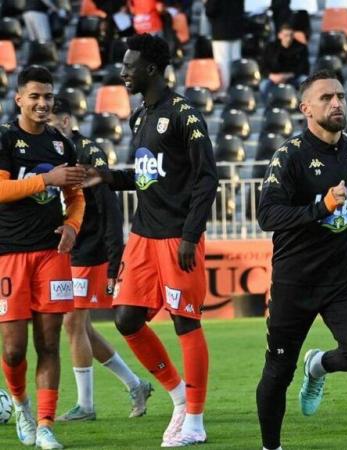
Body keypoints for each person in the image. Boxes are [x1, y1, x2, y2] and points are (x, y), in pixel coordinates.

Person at [84, 33, 218, 447]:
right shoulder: (139, 115)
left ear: (153, 70)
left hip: (177, 235)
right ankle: (178, 396)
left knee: (185, 321)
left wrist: (191, 235)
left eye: (130, 65)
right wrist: (110, 177)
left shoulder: (184, 113)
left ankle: (194, 420)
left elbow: (206, 177)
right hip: (143, 235)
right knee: (125, 319)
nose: (123, 72)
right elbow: (148, 177)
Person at [255, 70, 347, 450]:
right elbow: (268, 216)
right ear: (305, 108)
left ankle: (319, 365)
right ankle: (271, 447)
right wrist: (321, 205)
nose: (337, 103)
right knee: (278, 371)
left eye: (341, 96)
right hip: (296, 281)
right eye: (327, 97)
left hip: (344, 279)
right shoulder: (290, 155)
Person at [48, 98, 153, 422]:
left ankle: (87, 405)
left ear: (66, 121)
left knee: (72, 323)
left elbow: (109, 210)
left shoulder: (87, 153)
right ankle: (136, 384)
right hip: (67, 251)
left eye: (53, 122)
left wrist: (112, 261)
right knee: (84, 329)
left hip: (89, 251)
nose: (47, 129)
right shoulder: (51, 154)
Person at [0, 65, 87, 449]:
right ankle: (21, 406)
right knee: (13, 348)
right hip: (9, 254)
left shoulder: (60, 144)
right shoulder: (4, 139)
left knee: (49, 342)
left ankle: (47, 425)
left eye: (47, 97)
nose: (42, 103)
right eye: (34, 96)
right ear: (18, 99)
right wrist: (45, 181)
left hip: (52, 254)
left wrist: (72, 225)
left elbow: (77, 195)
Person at [205, 0, 245, 98]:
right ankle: (237, 89)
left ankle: (223, 91)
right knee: (236, 62)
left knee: (222, 63)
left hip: (221, 31)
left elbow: (210, 11)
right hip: (236, 30)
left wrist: (206, 3)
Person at [260, 23, 310, 101]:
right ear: (279, 35)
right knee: (264, 85)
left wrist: (287, 75)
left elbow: (303, 67)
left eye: (291, 35)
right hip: (274, 77)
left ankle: (301, 105)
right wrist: (271, 76)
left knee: (305, 81)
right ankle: (266, 107)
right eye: (286, 35)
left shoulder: (301, 48)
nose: (289, 38)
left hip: (293, 76)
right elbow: (263, 66)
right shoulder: (270, 47)